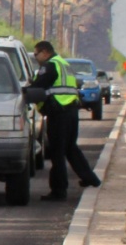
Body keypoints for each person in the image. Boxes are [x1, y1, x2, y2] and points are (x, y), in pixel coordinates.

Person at [29, 41, 102, 201]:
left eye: (36, 54)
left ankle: (58, 190)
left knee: (57, 152)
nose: (36, 58)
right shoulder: (64, 64)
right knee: (70, 148)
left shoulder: (49, 66)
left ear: (45, 52)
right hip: (71, 111)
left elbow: (37, 86)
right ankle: (90, 179)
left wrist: (25, 91)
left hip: (58, 113)